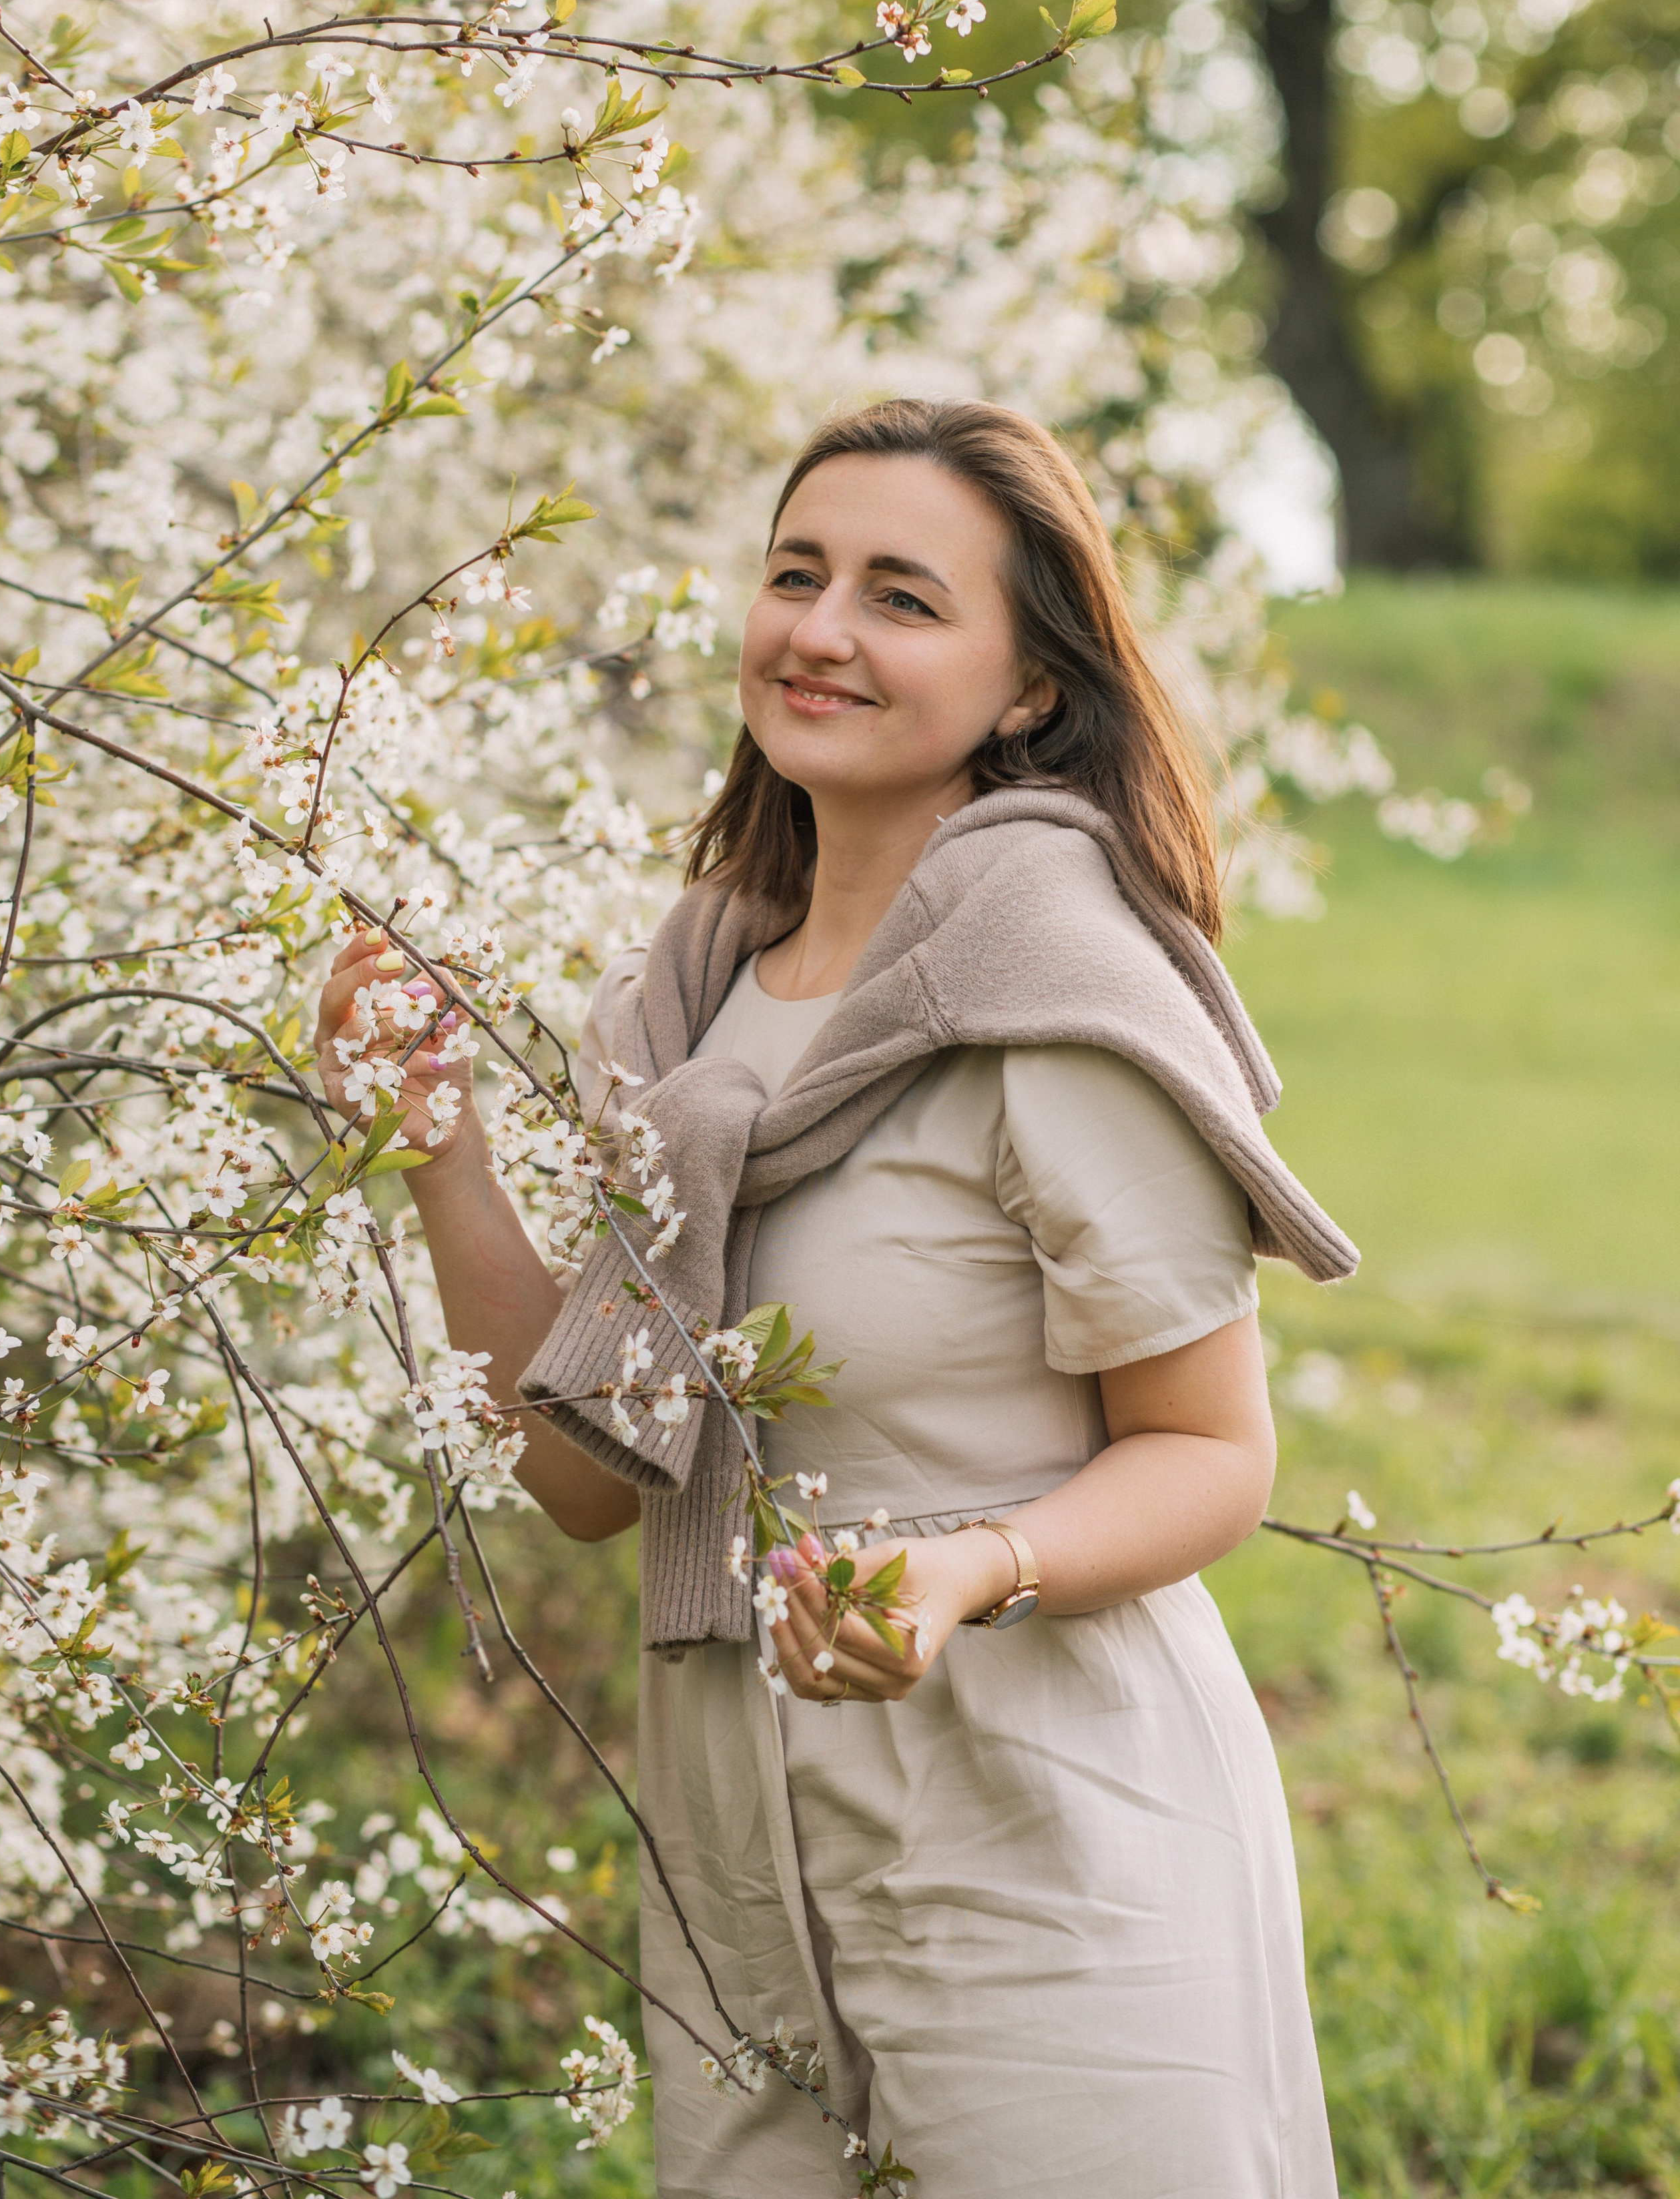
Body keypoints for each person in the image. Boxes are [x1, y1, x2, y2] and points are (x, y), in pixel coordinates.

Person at [312, 398, 1350, 2198]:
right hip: (737, 1834)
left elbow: (1209, 1454)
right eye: (797, 575)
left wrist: (965, 1570)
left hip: (1039, 1811)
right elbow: (577, 1481)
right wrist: (439, 1152)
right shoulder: (694, 1011)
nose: (821, 631)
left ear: (1030, 685)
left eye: (901, 596)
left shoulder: (1053, 994)